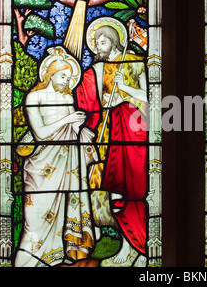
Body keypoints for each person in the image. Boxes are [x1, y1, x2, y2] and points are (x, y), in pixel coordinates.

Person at [15, 47, 98, 267]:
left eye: (71, 77)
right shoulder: (34, 97)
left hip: (65, 164)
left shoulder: (67, 97)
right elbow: (40, 134)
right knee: (34, 220)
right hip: (41, 166)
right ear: (50, 73)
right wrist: (68, 119)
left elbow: (69, 131)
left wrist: (76, 123)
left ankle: (50, 261)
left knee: (58, 218)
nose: (68, 80)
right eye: (64, 75)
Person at [76, 20, 148, 266]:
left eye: (103, 41)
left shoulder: (136, 62)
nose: (98, 46)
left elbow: (150, 97)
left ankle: (143, 249)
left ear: (115, 41)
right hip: (113, 134)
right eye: (96, 42)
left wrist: (125, 89)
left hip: (136, 132)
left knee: (137, 189)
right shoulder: (100, 68)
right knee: (118, 191)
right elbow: (101, 103)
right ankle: (128, 248)